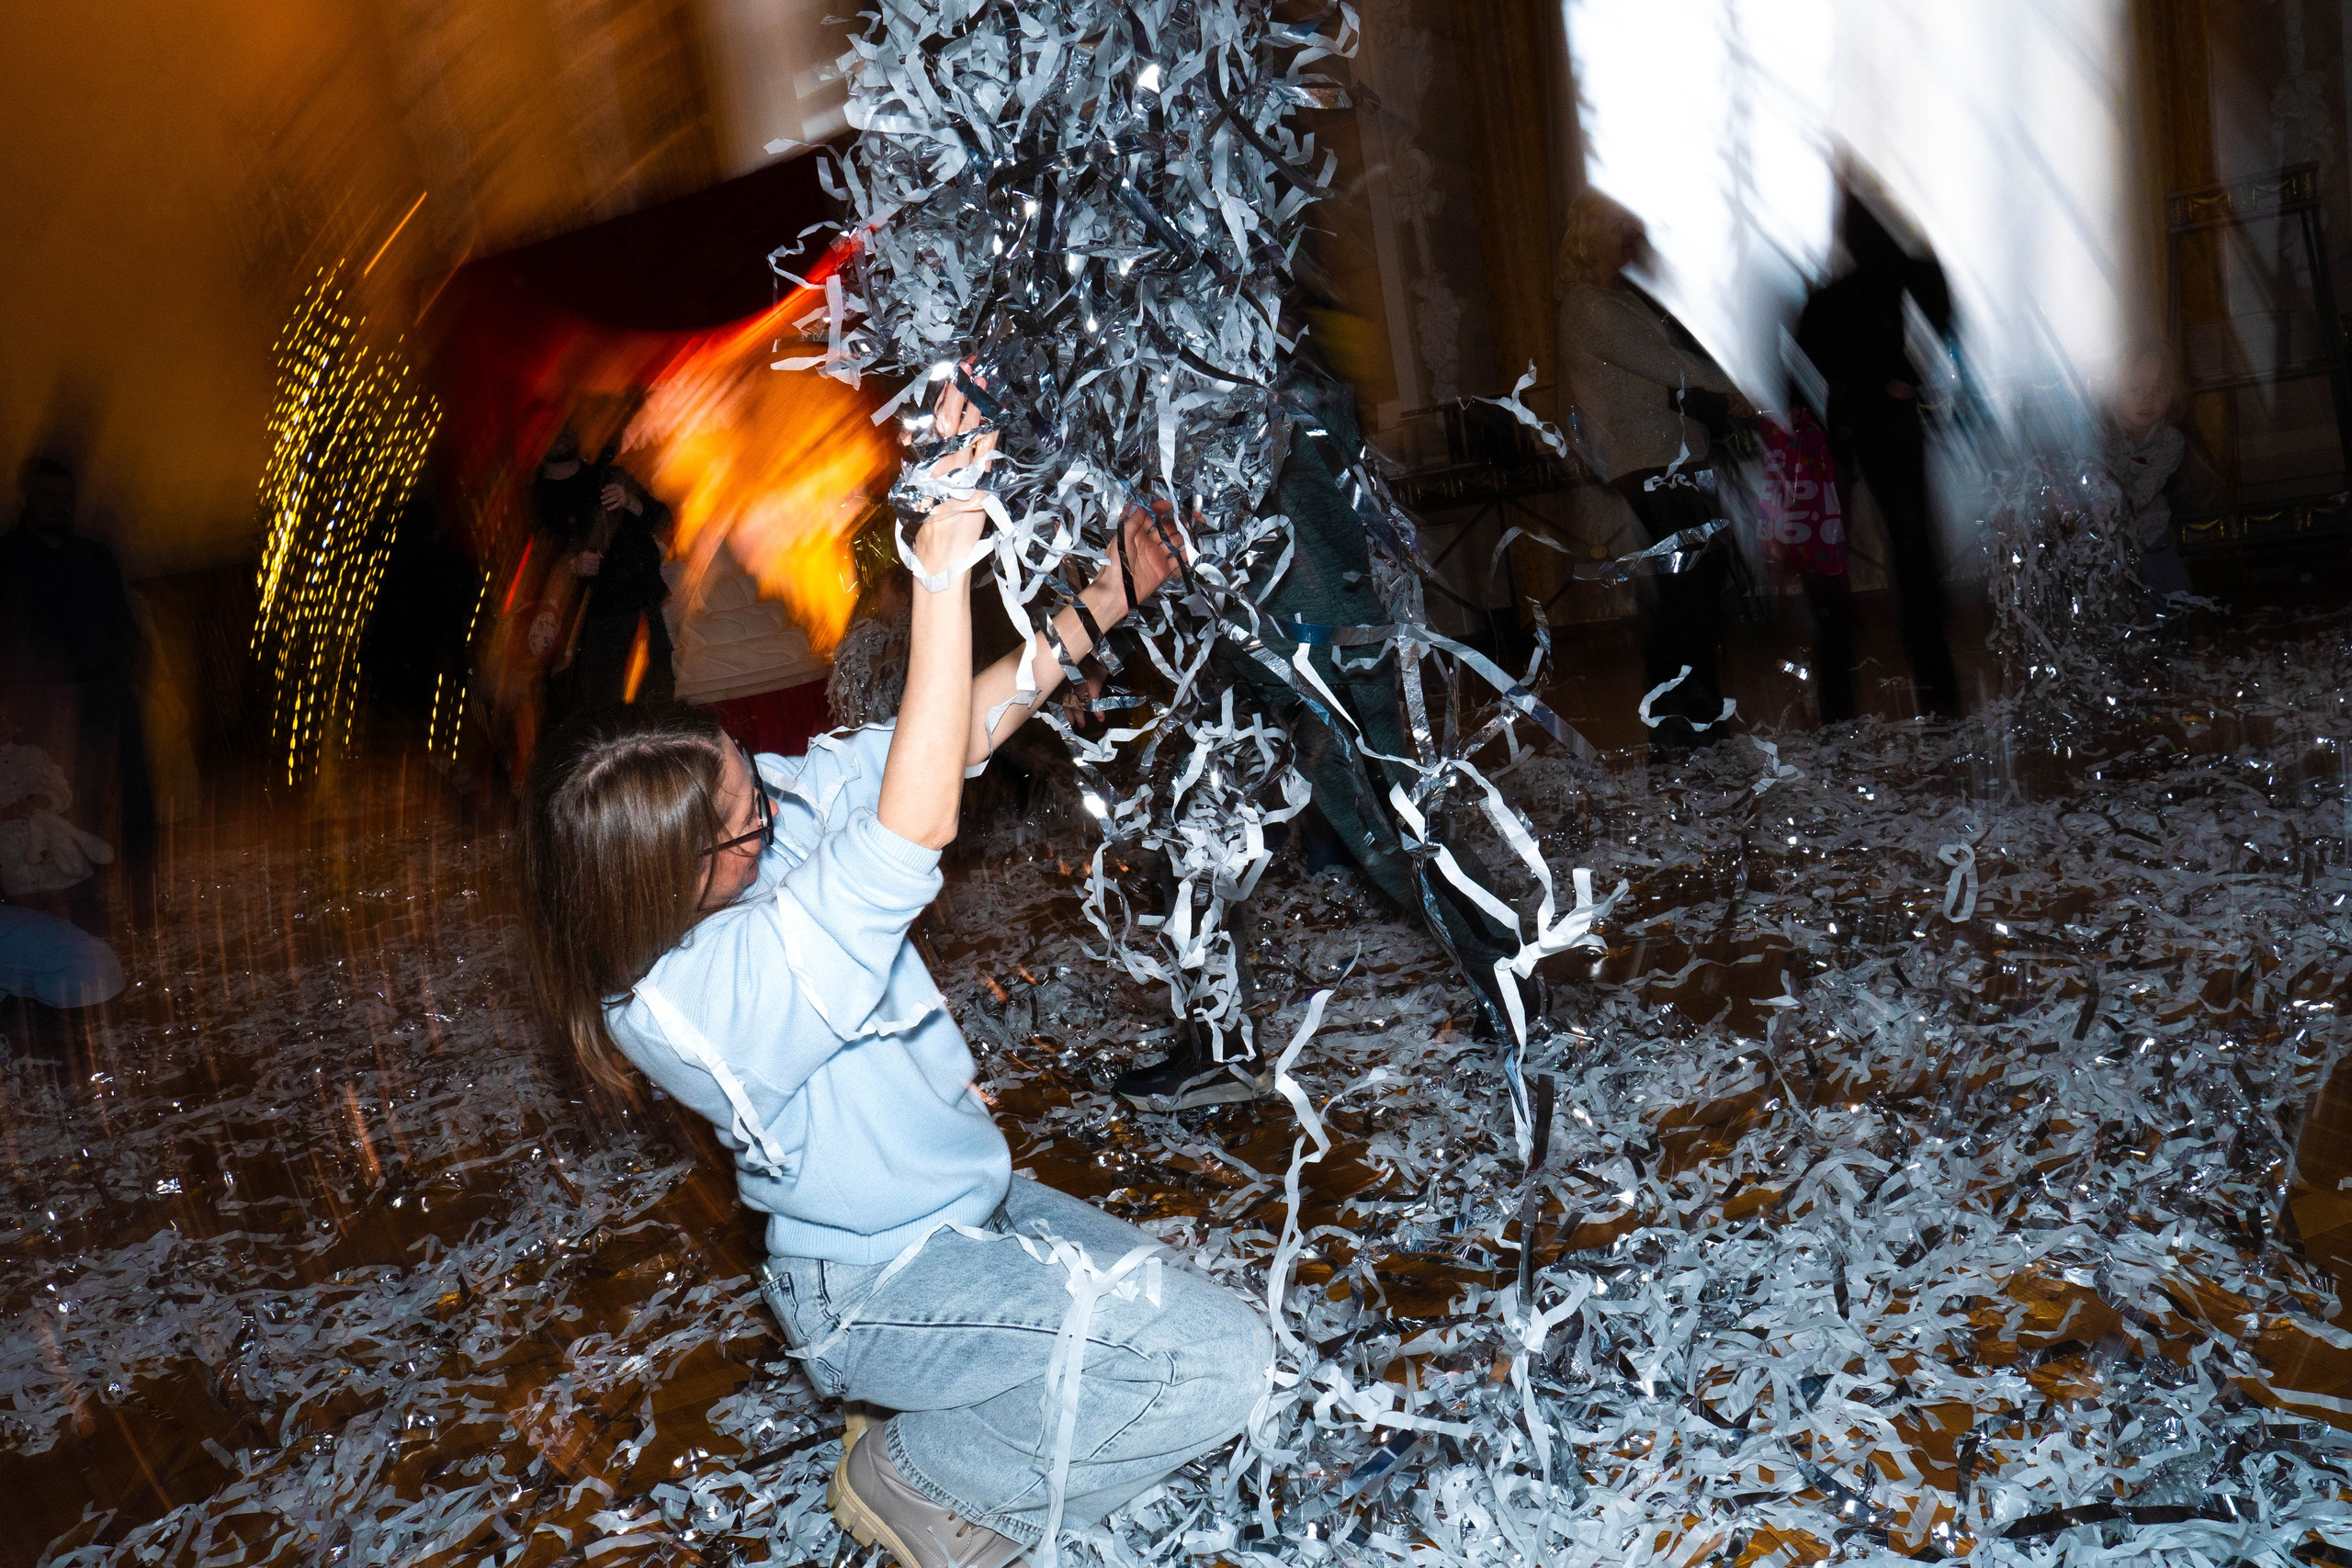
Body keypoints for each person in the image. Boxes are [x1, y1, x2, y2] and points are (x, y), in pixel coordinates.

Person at [519, 378, 1268, 1568]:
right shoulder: (691, 999)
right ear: (664, 880)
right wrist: (937, 562)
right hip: (874, 1281)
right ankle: (917, 1474)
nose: (770, 799)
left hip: (969, 1208)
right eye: (741, 816)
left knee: (1184, 1314)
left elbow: (947, 736)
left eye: (746, 771)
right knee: (1216, 1362)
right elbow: (903, 839)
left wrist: (1112, 591)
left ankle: (945, 1402)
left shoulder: (749, 808)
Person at [1556, 190, 1755, 749]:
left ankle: (1695, 709)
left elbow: (1671, 372)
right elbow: (1665, 365)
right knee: (1684, 588)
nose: (1630, 236)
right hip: (1646, 463)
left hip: (1672, 459)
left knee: (1693, 585)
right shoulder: (1587, 305)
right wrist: (1732, 382)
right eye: (1619, 226)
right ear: (1590, 234)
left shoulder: (1625, 301)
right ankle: (1680, 716)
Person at [1795, 180, 1965, 719]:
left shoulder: (1847, 281)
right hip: (1868, 415)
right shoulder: (1888, 267)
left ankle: (1841, 703)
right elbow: (1938, 300)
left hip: (1844, 417)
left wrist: (1908, 376)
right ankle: (1933, 693)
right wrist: (1909, 376)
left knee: (1846, 553)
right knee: (1907, 544)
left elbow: (1807, 356)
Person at [0, 457, 155, 889]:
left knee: (136, 791)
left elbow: (121, 616)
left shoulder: (92, 554)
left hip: (108, 685)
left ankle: (144, 893)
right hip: (48, 700)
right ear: (26, 498)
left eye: (66, 498)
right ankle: (85, 896)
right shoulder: (8, 558)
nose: (58, 506)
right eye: (48, 496)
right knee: (69, 798)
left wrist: (137, 661)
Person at [533, 426, 675, 717]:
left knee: (662, 695)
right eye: (550, 429)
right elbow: (533, 567)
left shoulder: (611, 476)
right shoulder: (536, 499)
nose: (560, 433)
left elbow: (663, 520)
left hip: (648, 602)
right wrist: (573, 564)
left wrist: (631, 502)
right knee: (608, 705)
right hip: (596, 620)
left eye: (564, 426)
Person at [2108, 349, 2191, 602]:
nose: (2148, 399)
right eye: (2135, 389)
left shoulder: (2170, 440)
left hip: (2152, 541)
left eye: (2159, 389)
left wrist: (2120, 507)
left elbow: (2147, 486)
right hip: (2106, 546)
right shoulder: (2099, 436)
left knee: (2179, 600)